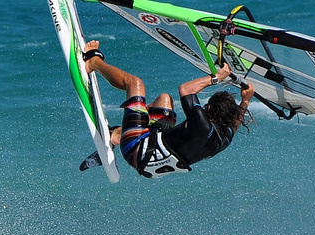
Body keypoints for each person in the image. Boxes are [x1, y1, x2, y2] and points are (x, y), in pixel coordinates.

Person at [79, 40, 253, 178]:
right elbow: (235, 125)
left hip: (137, 150)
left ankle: (93, 61)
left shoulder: (203, 124)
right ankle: (115, 135)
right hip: (151, 162)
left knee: (135, 83)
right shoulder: (223, 138)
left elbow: (185, 89)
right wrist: (245, 101)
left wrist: (216, 78)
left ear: (209, 109)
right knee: (164, 99)